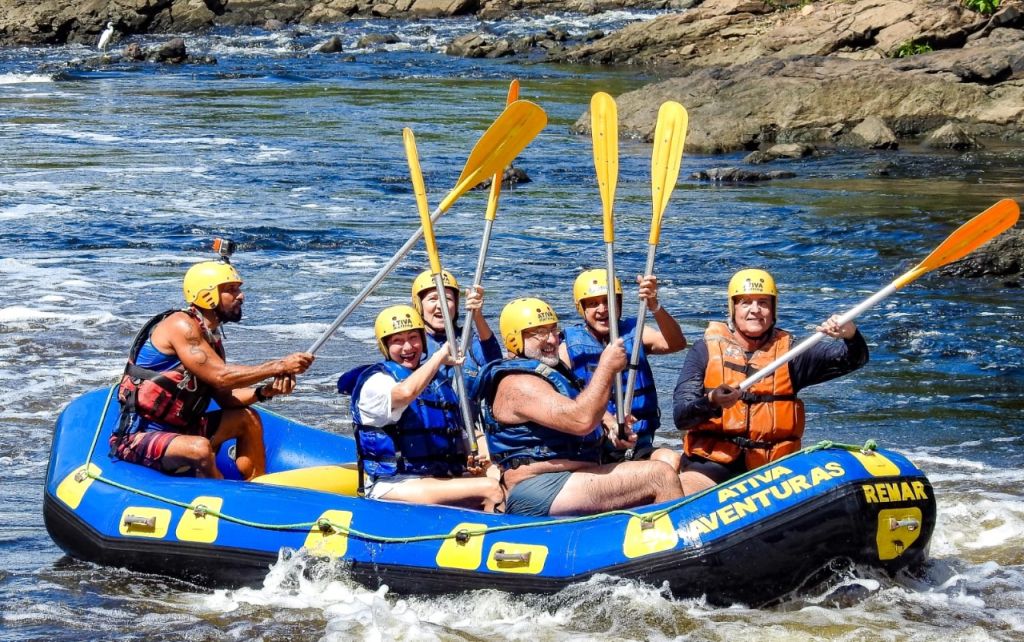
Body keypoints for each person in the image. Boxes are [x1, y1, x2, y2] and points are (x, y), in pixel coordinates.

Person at [475, 297, 685, 517]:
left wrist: (611, 428)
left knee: (670, 473)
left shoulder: (553, 372)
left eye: (554, 330)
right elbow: (580, 420)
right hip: (539, 487)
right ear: (513, 339)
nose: (552, 340)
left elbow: (581, 407)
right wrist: (606, 367)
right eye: (539, 333)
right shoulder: (517, 384)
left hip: (575, 478)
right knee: (659, 476)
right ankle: (681, 545)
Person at [111, 260, 314, 479]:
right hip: (139, 435)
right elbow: (220, 376)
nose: (241, 296)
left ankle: (258, 487)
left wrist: (264, 392)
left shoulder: (211, 341)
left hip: (182, 430)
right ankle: (225, 502)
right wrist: (279, 365)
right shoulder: (181, 325)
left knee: (247, 418)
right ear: (206, 296)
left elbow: (227, 398)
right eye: (231, 290)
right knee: (199, 448)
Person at [672, 268, 869, 493]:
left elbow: (853, 360)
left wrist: (851, 336)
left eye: (763, 303)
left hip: (772, 469)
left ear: (773, 309)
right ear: (733, 308)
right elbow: (681, 416)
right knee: (687, 489)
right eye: (746, 302)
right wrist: (712, 402)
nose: (755, 310)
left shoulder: (792, 354)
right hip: (711, 466)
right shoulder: (704, 351)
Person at [343, 305, 502, 511]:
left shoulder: (436, 383)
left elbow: (457, 432)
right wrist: (439, 358)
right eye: (397, 341)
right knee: (490, 488)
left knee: (500, 475)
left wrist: (477, 455)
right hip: (395, 483)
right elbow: (406, 393)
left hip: (434, 477)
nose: (408, 347)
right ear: (385, 346)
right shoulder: (377, 382)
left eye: (413, 338)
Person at [559, 269, 686, 464]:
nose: (603, 309)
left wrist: (654, 306)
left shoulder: (636, 332)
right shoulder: (567, 349)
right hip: (594, 447)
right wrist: (609, 421)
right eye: (593, 304)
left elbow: (676, 343)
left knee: (671, 460)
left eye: (609, 301)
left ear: (619, 303)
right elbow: (567, 401)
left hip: (639, 441)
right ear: (581, 308)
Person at [411, 268, 502, 384]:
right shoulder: (411, 343)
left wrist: (477, 316)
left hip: (466, 401)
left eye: (447, 299)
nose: (441, 305)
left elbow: (495, 364)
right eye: (433, 299)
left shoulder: (466, 338)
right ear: (419, 305)